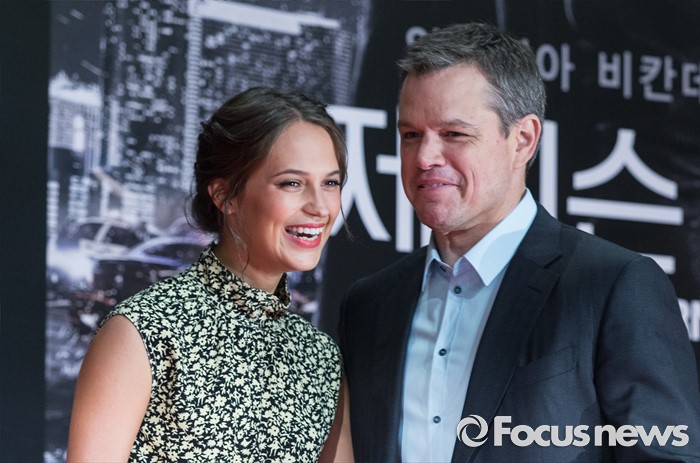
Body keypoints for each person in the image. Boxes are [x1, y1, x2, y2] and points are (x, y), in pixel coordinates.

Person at [338, 22, 700, 462]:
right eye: (411, 135)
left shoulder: (612, 285)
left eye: (454, 134)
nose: (425, 157)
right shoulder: (370, 305)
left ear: (523, 140)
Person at [67, 87, 354, 462]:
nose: (319, 207)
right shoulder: (143, 332)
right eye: (292, 183)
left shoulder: (320, 358)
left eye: (330, 183)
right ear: (224, 195)